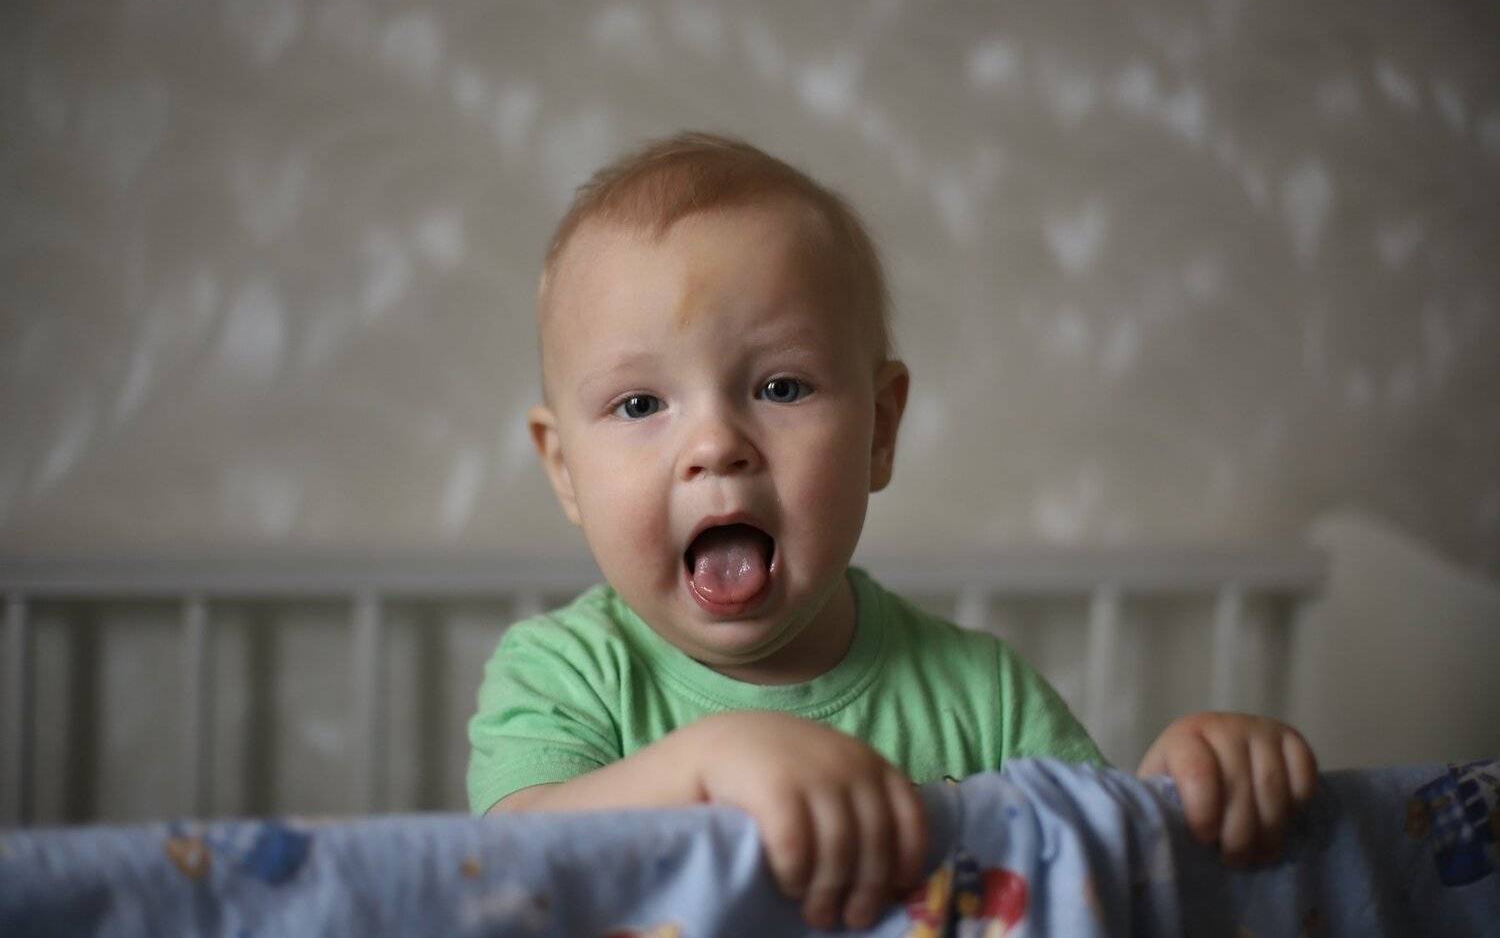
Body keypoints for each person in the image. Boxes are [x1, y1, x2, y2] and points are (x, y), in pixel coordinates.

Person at [467, 132, 1318, 930]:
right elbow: (506, 863)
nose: (716, 445)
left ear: (879, 429)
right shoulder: (564, 675)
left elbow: (1094, 878)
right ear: (564, 468)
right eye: (640, 404)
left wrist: (1181, 796)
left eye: (781, 388)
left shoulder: (983, 698)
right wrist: (706, 762)